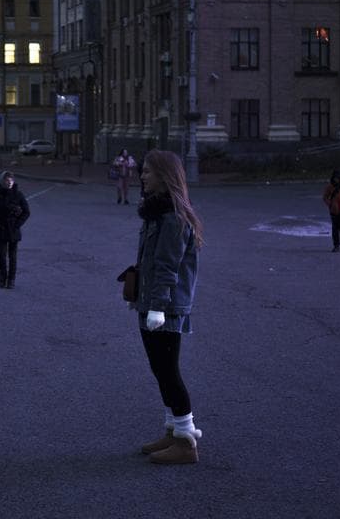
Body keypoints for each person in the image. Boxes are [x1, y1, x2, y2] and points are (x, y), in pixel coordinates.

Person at [132, 150, 205, 465]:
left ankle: (186, 442)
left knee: (168, 371)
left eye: (148, 171)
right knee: (159, 370)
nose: (142, 176)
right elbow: (150, 261)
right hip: (152, 302)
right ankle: (173, 431)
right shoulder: (157, 213)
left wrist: (158, 307)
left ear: (164, 177)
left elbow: (167, 267)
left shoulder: (174, 217)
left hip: (166, 307)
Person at [0, 170, 30, 289]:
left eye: (11, 180)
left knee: (13, 257)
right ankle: (2, 279)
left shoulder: (18, 194)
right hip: (2, 230)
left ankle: (11, 280)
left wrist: (17, 224)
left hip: (14, 230)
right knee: (2, 256)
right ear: (2, 181)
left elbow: (26, 212)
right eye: (7, 180)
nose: (9, 182)